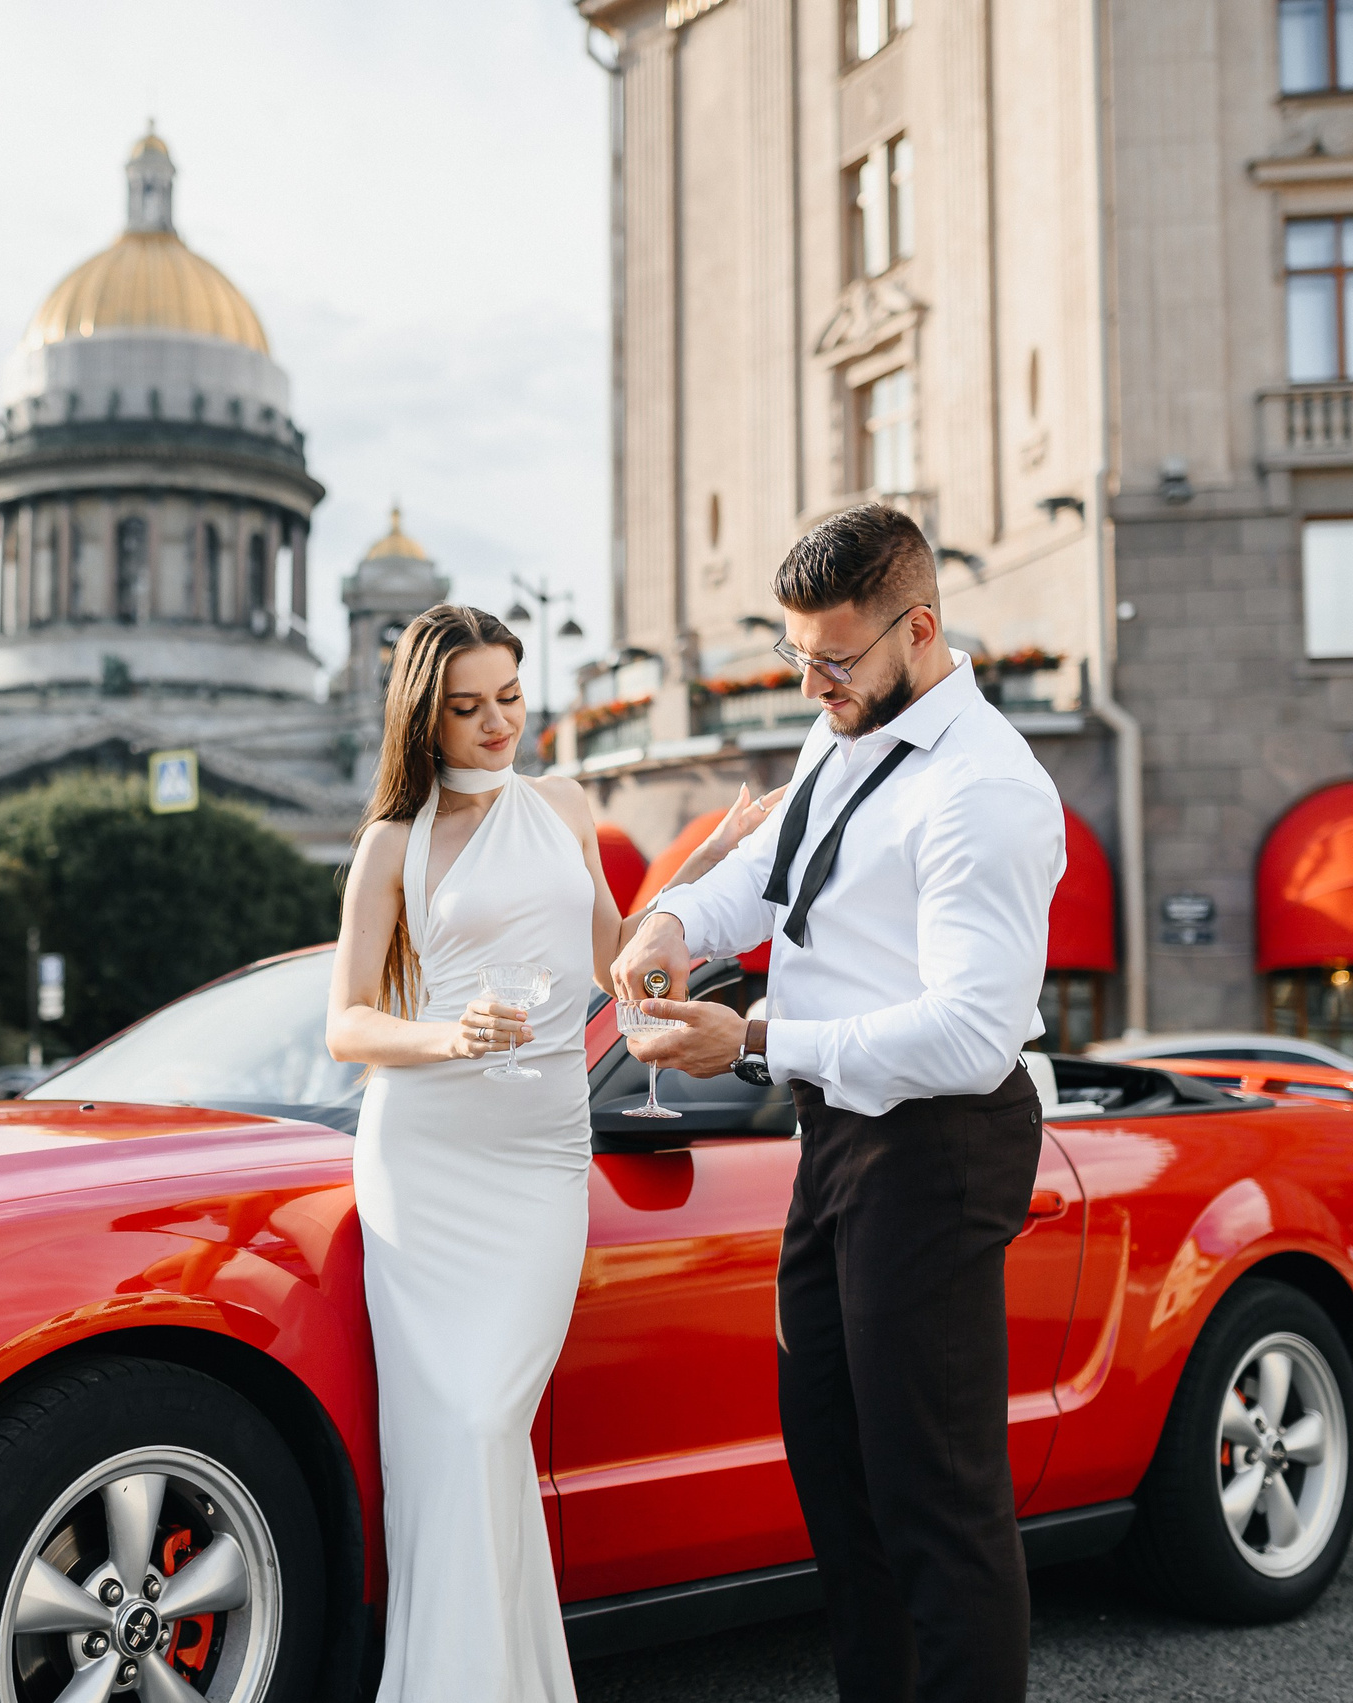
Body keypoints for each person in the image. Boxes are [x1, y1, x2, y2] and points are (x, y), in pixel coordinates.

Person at [614, 503, 1065, 1703]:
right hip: (837, 1135)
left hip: (941, 1140)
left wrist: (753, 1039)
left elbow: (968, 1034)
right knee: (835, 1467)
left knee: (934, 1494)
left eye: (835, 658)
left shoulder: (984, 787)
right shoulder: (839, 730)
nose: (810, 683)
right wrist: (671, 920)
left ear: (919, 628)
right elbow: (767, 875)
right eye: (795, 654)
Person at [325, 604, 626, 1702]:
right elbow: (346, 1024)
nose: (499, 722)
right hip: (426, 1157)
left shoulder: (565, 805)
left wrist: (704, 880)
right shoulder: (392, 844)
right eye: (468, 707)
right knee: (457, 1433)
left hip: (542, 1156)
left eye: (510, 695)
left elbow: (619, 963)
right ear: (425, 717)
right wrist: (446, 1035)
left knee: (491, 1419)